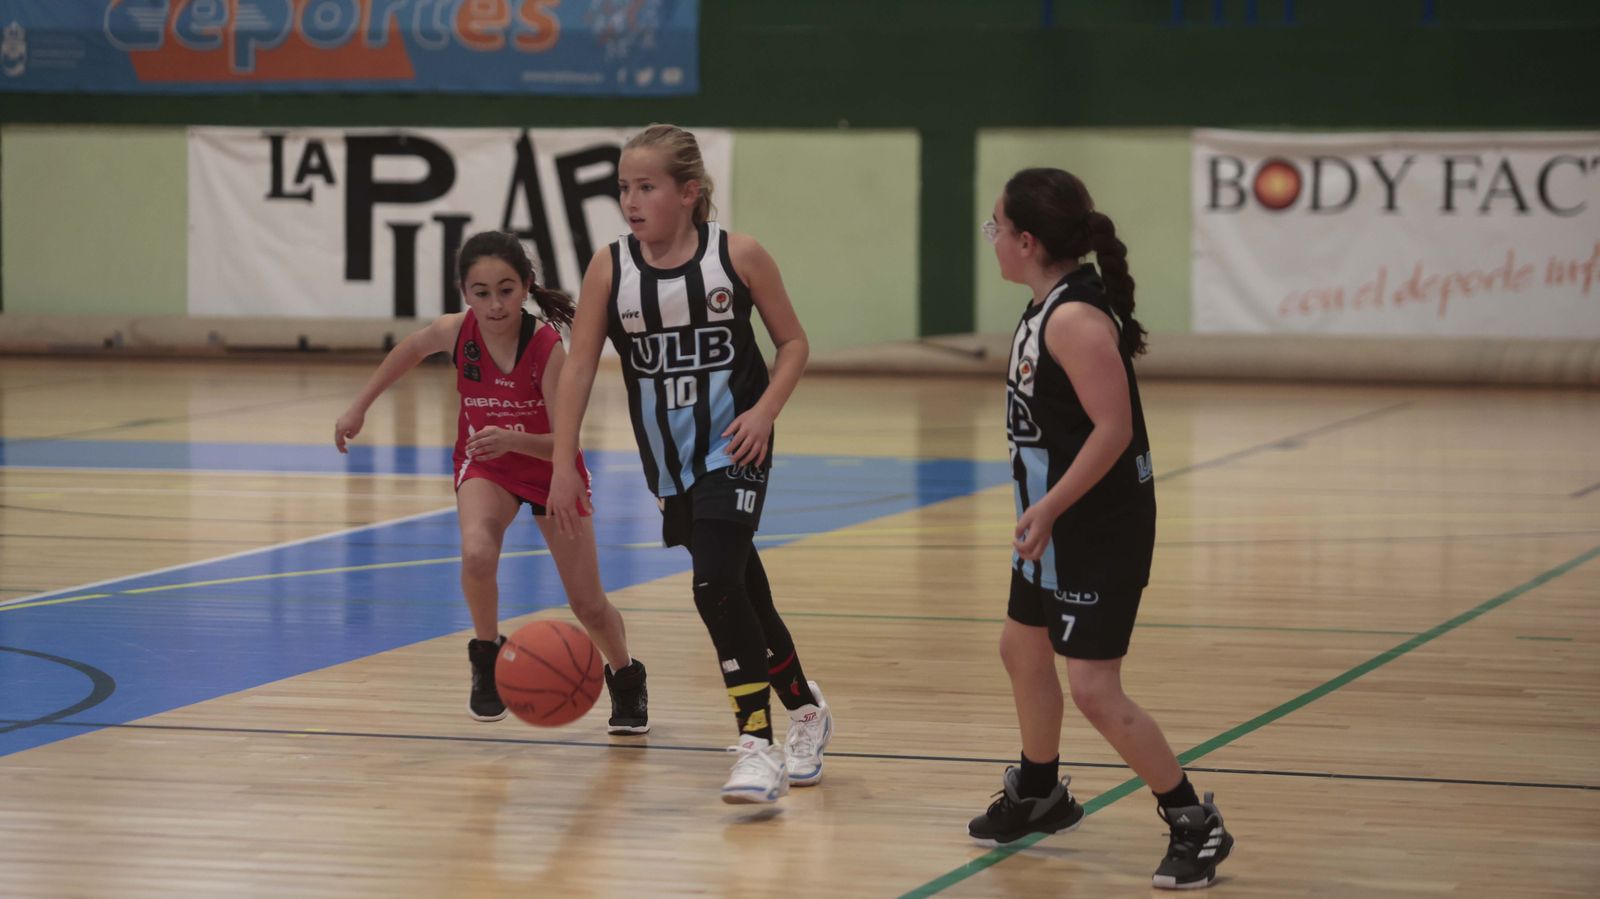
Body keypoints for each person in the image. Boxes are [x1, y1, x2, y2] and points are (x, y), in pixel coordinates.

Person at [545, 124, 832, 804]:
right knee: (743, 589)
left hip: (735, 446)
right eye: (623, 188)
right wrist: (562, 461)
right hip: (669, 462)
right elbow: (579, 368)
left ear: (690, 193)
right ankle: (806, 707)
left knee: (713, 585)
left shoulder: (740, 256)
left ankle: (756, 743)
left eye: (646, 187)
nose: (630, 201)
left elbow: (793, 344)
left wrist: (764, 413)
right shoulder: (609, 268)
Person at [968, 168, 1234, 889]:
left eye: (996, 227)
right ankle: (1041, 790)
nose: (991, 239)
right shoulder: (1045, 304)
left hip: (1095, 528)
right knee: (1021, 647)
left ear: (1027, 240)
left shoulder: (1074, 320)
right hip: (1052, 526)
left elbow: (1113, 431)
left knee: (1094, 689)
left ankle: (1192, 820)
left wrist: (1050, 506)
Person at [334, 230, 649, 735]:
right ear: (465, 294)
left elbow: (564, 441)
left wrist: (514, 440)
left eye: (506, 289)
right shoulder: (455, 332)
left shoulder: (547, 349)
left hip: (553, 470)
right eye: (482, 293)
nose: (495, 303)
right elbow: (407, 352)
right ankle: (486, 656)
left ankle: (626, 675)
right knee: (477, 553)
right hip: (487, 465)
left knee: (587, 602)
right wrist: (358, 406)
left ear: (526, 287)